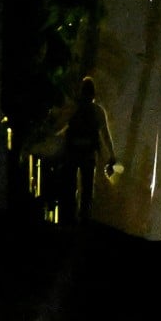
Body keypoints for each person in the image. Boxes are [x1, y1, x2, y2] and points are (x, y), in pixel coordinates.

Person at [62, 76, 117, 224]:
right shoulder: (98, 111)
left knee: (71, 186)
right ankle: (84, 219)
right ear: (93, 94)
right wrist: (111, 155)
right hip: (88, 154)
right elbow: (105, 135)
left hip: (73, 153)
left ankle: (70, 218)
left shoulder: (74, 109)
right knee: (87, 189)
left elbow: (62, 126)